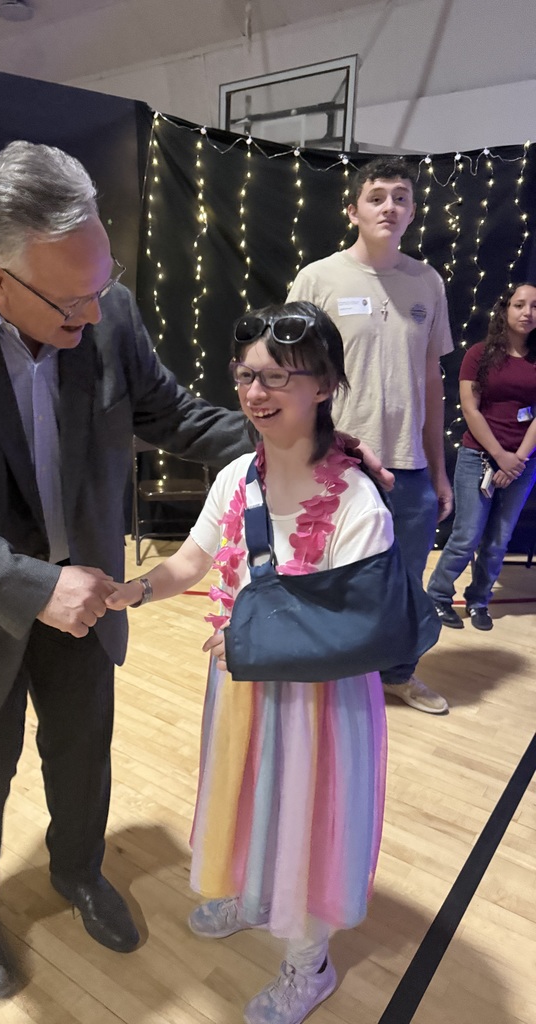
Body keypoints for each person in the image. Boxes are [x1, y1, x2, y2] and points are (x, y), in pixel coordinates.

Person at [0, 140, 252, 998]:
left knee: (82, 753)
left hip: (89, 598)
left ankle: (78, 871)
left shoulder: (108, 311)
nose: (95, 316)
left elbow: (167, 411)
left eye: (101, 289)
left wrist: (287, 447)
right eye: (73, 302)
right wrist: (34, 585)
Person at [107, 303, 392, 1024]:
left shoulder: (359, 501)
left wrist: (249, 643)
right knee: (244, 799)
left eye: (277, 378)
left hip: (318, 705)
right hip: (238, 687)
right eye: (246, 376)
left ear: (324, 384)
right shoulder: (239, 473)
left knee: (307, 825)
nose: (256, 393)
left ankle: (309, 965)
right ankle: (252, 891)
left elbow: (357, 629)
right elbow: (194, 561)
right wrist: (134, 589)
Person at [287, 156, 453, 715]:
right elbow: (291, 374)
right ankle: (333, 678)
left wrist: (438, 467)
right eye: (377, 196)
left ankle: (398, 674)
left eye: (400, 197)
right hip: (338, 461)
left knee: (404, 582)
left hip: (407, 465)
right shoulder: (318, 278)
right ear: (353, 208)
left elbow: (432, 380)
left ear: (412, 210)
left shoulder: (426, 281)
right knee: (332, 575)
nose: (390, 206)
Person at [427, 283, 536, 629]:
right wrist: (500, 456)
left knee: (498, 540)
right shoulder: (479, 354)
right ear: (505, 310)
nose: (527, 312)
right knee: (467, 535)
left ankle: (478, 601)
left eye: (535, 306)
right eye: (520, 304)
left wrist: (516, 458)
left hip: (523, 462)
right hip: (479, 458)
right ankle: (438, 598)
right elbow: (470, 410)